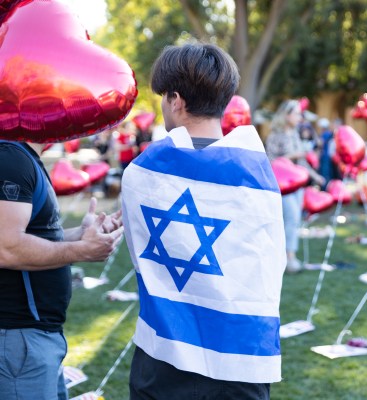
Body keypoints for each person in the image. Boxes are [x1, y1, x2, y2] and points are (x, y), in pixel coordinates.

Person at [121, 43, 285, 399]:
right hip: (241, 356)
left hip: (165, 353)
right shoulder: (258, 177)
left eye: (164, 96)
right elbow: (270, 263)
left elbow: (142, 255)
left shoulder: (142, 174)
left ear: (176, 100)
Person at [0, 141, 123, 400]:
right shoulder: (11, 157)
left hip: (34, 337)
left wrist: (82, 235)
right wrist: (82, 251)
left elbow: (33, 236)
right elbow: (7, 248)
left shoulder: (22, 156)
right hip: (19, 337)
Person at [265, 100, 324, 274]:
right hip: (282, 185)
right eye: (297, 113)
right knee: (290, 217)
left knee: (295, 219)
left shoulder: (295, 135)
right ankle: (288, 259)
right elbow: (270, 161)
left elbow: (302, 162)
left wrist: (315, 176)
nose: (300, 117)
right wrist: (292, 156)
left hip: (297, 185)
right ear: (286, 114)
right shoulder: (275, 135)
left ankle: (288, 255)